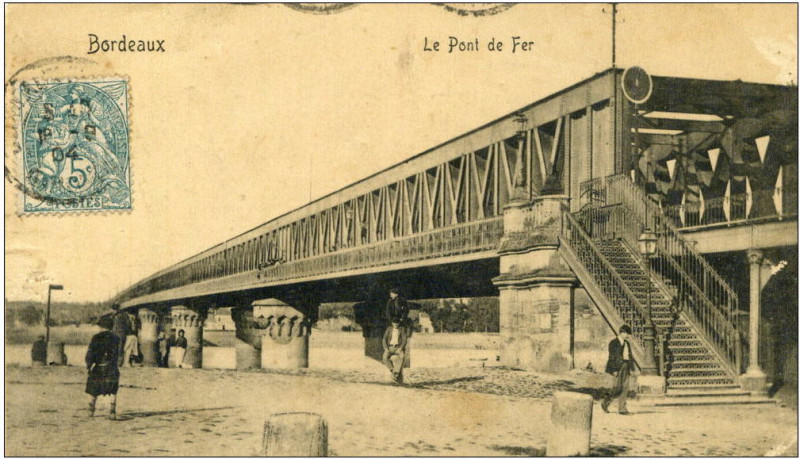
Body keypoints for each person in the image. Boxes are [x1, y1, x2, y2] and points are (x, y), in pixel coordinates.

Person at [85, 315, 121, 420]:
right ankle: (112, 412)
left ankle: (90, 410)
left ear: (101, 326)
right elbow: (118, 354)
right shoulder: (116, 338)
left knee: (93, 388)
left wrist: (89, 365)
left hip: (99, 367)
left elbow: (90, 353)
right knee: (113, 389)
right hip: (111, 367)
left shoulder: (96, 337)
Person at [601, 325, 637, 415]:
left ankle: (622, 409)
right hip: (617, 367)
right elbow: (612, 357)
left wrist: (632, 368)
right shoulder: (613, 343)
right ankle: (605, 402)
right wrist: (614, 369)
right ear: (622, 332)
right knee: (617, 387)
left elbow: (630, 356)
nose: (628, 336)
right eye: (627, 334)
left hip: (626, 366)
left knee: (625, 387)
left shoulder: (627, 343)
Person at [382, 319, 409, 384]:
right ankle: (392, 371)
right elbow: (384, 339)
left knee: (402, 357)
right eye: (394, 323)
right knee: (384, 358)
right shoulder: (389, 329)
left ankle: (396, 373)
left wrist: (400, 348)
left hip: (398, 347)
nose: (396, 325)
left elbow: (404, 340)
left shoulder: (402, 329)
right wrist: (386, 348)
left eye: (397, 323)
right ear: (392, 323)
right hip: (390, 347)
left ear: (399, 323)